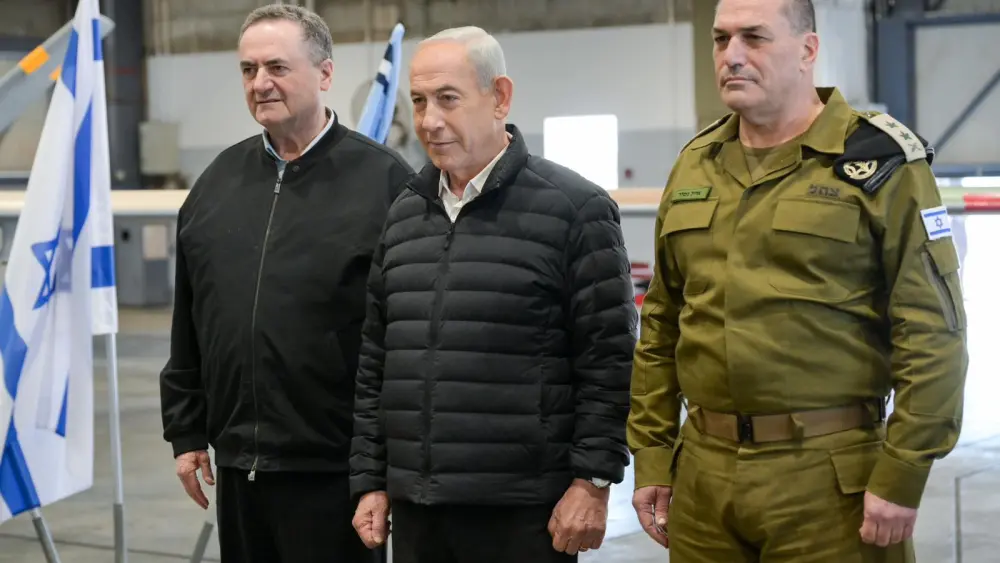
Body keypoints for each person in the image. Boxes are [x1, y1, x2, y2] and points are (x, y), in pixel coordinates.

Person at [627, 0, 969, 561]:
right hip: (703, 481)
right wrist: (653, 456)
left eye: (754, 38)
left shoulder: (880, 164)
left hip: (828, 480)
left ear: (808, 51)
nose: (731, 56)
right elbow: (662, 323)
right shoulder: (695, 163)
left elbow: (933, 331)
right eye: (721, 40)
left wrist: (904, 469)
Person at [348, 26, 637, 563]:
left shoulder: (575, 210)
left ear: (499, 97)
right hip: (419, 512)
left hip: (523, 516)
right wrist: (371, 479)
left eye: (448, 99)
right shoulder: (404, 214)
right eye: (418, 101)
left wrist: (593, 482)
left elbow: (609, 362)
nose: (430, 120)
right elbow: (376, 363)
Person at [158, 4, 413, 562]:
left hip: (336, 470)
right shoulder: (214, 185)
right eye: (248, 70)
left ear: (325, 74)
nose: (260, 83)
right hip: (238, 466)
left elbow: (409, 337)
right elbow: (191, 316)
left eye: (276, 66)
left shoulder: (388, 184)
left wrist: (386, 466)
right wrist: (185, 431)